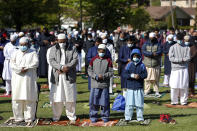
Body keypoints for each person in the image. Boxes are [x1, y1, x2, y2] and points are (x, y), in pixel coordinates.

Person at [49, 34, 78, 124]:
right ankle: (56, 116)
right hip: (57, 75)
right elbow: (51, 60)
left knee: (70, 97)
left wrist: (66, 67)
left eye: (63, 41)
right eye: (60, 41)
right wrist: (61, 67)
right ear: (57, 40)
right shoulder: (53, 49)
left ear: (66, 40)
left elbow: (75, 59)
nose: (62, 43)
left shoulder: (72, 48)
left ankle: (71, 116)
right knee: (57, 97)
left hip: (69, 75)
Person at [10, 37, 39, 124]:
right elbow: (12, 64)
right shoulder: (15, 53)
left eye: (24, 45)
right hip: (17, 79)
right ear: (19, 45)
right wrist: (19, 69)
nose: (23, 46)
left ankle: (29, 118)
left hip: (28, 79)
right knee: (17, 99)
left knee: (29, 99)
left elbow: (36, 63)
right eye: (21, 45)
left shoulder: (33, 53)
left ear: (28, 44)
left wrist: (26, 68)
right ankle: (18, 117)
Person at [88, 44, 113, 123]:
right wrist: (95, 76)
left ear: (105, 51)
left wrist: (104, 76)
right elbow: (89, 70)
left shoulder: (108, 60)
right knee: (93, 102)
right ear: (97, 51)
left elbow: (111, 72)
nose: (101, 52)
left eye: (103, 51)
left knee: (105, 102)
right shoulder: (93, 59)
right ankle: (93, 117)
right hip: (95, 84)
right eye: (100, 51)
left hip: (104, 84)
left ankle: (105, 116)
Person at [123, 49, 147, 122]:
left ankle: (140, 117)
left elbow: (145, 74)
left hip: (139, 87)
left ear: (140, 57)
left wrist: (139, 76)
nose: (135, 58)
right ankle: (127, 117)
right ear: (131, 56)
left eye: (137, 56)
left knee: (139, 103)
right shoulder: (129, 65)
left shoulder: (142, 65)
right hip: (130, 87)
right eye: (134, 56)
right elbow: (124, 74)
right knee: (129, 104)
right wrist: (132, 75)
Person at [169, 33, 190, 105]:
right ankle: (174, 101)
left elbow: (188, 58)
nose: (180, 41)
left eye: (181, 39)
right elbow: (171, 58)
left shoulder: (187, 47)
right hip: (175, 69)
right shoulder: (172, 47)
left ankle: (183, 101)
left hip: (184, 69)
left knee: (184, 86)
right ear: (176, 39)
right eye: (179, 39)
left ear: (183, 39)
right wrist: (181, 60)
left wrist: (179, 60)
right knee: (174, 86)